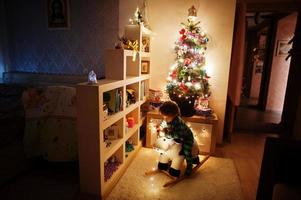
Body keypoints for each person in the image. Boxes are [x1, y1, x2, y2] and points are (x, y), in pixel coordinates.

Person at [158, 101, 200, 177]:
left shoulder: (179, 123)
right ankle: (164, 162)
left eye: (166, 117)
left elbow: (178, 134)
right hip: (173, 136)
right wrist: (161, 127)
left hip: (186, 137)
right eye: (163, 116)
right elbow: (163, 124)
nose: (165, 118)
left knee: (186, 151)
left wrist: (167, 133)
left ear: (173, 114)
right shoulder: (167, 119)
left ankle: (189, 166)